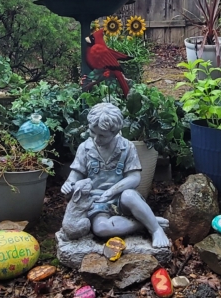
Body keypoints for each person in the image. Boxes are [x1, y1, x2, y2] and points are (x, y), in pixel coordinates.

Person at [60, 103, 170, 248]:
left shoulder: (127, 147)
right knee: (101, 229)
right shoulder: (85, 148)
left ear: (115, 132)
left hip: (121, 197)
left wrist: (111, 191)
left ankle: (155, 229)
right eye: (93, 132)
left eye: (102, 136)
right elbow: (75, 176)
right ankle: (145, 221)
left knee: (130, 196)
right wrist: (69, 184)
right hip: (97, 202)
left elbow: (134, 178)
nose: (96, 139)